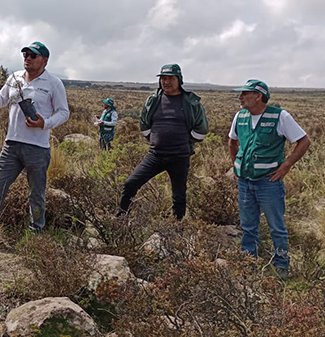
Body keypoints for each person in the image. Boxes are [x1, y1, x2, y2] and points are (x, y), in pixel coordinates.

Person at [228, 79, 310, 280]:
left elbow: (304, 141)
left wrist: (286, 165)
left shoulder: (280, 116)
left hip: (269, 182)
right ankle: (249, 264)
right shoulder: (240, 117)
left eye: (245, 93)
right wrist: (237, 166)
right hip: (245, 182)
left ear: (258, 96)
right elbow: (232, 141)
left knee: (276, 226)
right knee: (248, 226)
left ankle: (281, 265)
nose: (240, 97)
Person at [0, 41, 70, 232]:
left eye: (33, 56)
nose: (27, 58)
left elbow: (64, 113)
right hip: (11, 145)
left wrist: (44, 123)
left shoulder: (54, 83)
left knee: (36, 194)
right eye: (25, 55)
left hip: (37, 148)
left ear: (45, 61)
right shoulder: (14, 78)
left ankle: (36, 233)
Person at [117, 64, 208, 220]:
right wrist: (154, 139)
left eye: (171, 78)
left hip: (179, 156)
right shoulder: (153, 100)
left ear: (179, 80)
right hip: (155, 155)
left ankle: (176, 227)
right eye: (163, 78)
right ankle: (120, 219)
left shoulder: (191, 102)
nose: (166, 82)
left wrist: (185, 141)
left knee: (179, 196)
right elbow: (144, 123)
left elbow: (202, 128)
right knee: (130, 183)